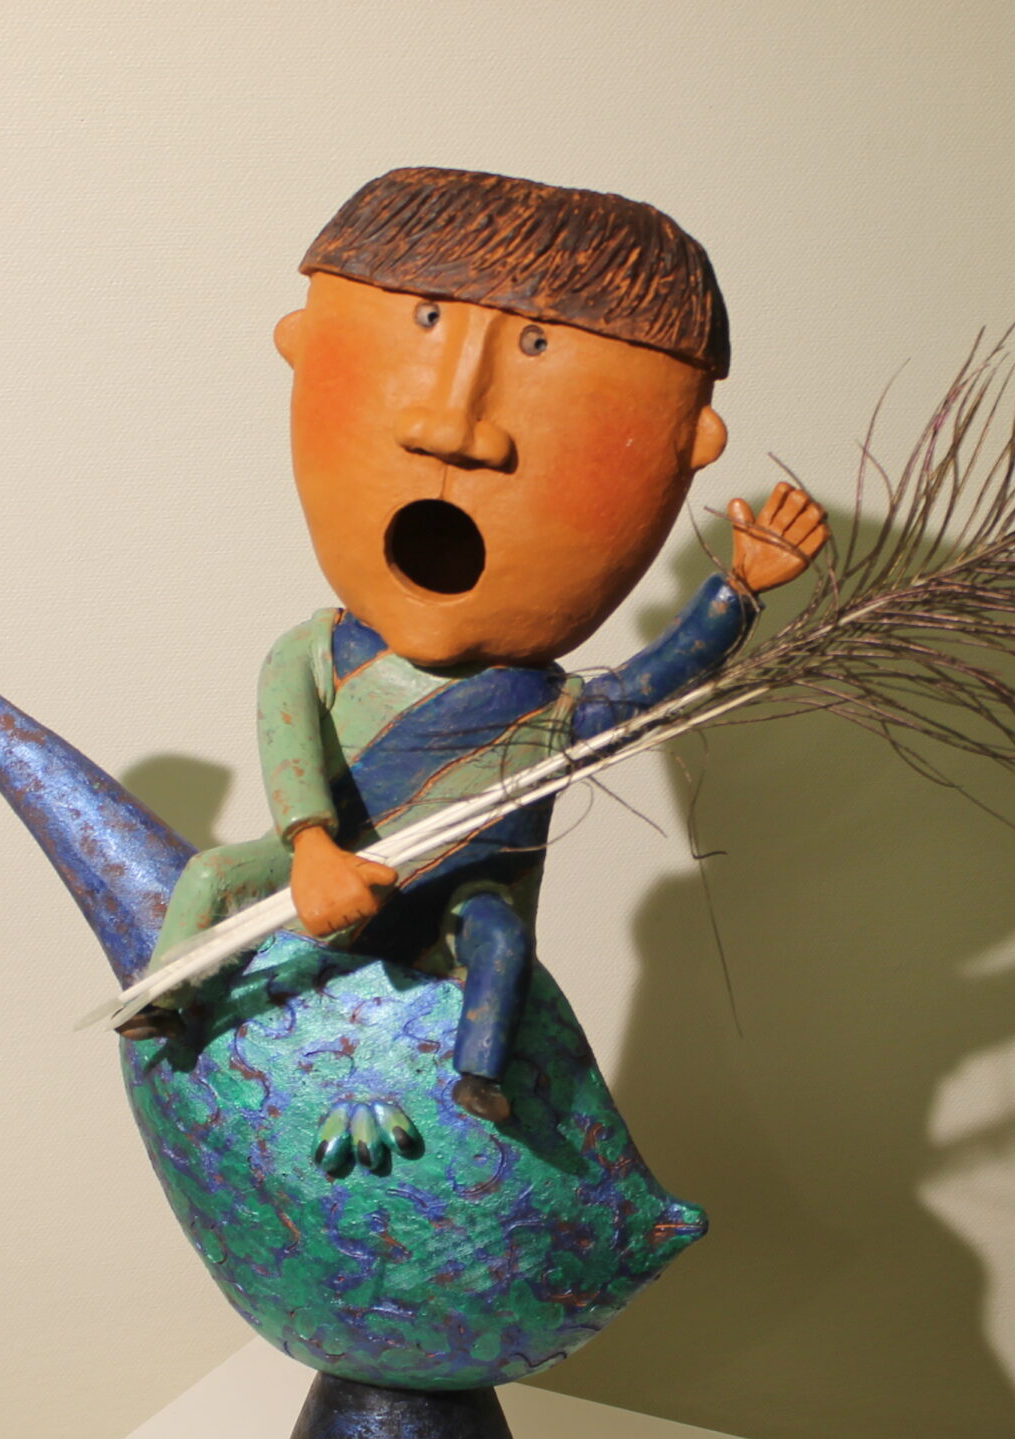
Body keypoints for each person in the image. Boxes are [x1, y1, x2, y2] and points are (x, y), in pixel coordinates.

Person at [124, 166, 826, 1128]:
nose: (453, 426)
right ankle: (166, 1000)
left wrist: (735, 593)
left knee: (498, 938)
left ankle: (480, 1077)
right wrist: (313, 847)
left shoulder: (545, 712)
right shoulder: (318, 653)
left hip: (461, 902)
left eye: (540, 350)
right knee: (209, 877)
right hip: (326, 870)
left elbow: (649, 690)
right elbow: (289, 742)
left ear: (689, 445)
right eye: (424, 322)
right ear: (298, 346)